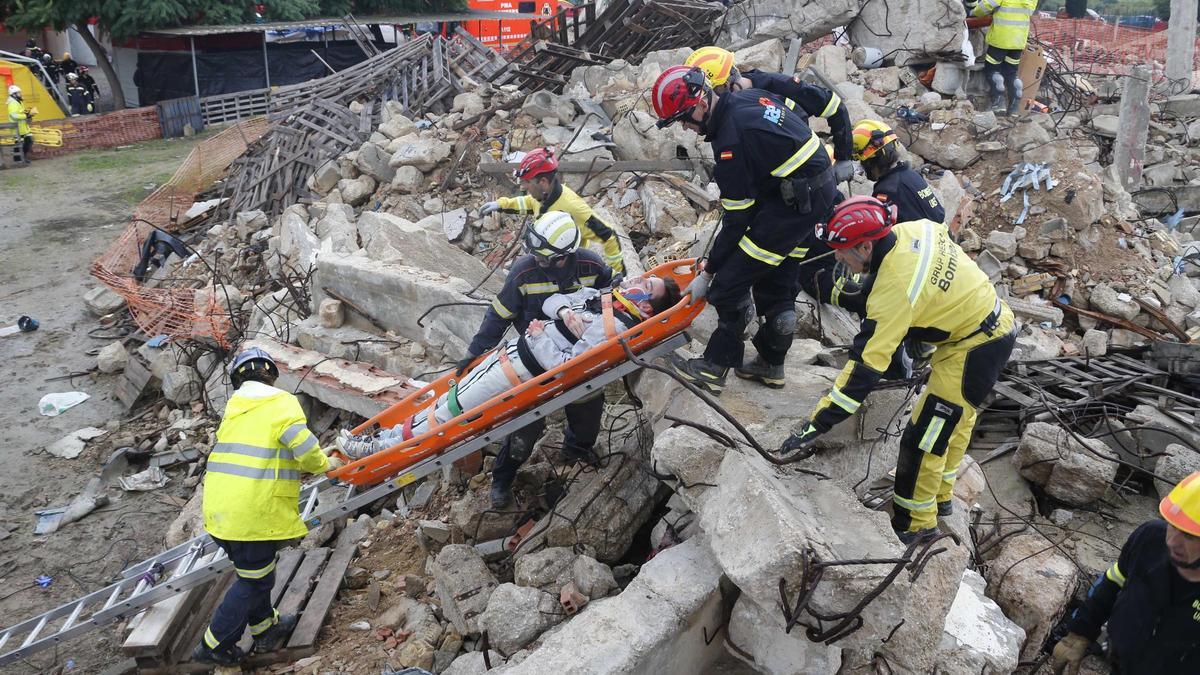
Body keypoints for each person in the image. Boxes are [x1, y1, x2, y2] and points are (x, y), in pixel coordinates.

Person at [776, 197, 1015, 545]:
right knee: (955, 421)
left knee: (925, 437)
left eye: (842, 250)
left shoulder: (895, 293)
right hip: (987, 322)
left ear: (866, 246)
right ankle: (942, 497)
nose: (837, 257)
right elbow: (928, 269)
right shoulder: (915, 230)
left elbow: (864, 369)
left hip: (976, 346)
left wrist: (817, 422)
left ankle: (915, 526)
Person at [651, 65, 853, 394]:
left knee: (729, 285)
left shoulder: (730, 140)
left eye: (684, 119)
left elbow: (736, 220)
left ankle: (713, 368)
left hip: (792, 206)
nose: (686, 128)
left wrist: (710, 272)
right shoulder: (748, 97)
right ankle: (771, 364)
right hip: (813, 196)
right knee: (778, 280)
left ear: (701, 103)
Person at [339, 275, 681, 458]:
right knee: (446, 402)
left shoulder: (613, 328)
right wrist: (564, 312)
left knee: (449, 415)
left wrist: (540, 336)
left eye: (647, 286)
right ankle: (386, 438)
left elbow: (567, 367)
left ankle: (376, 451)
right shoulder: (602, 299)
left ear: (647, 308)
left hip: (519, 372)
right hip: (510, 355)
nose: (638, 281)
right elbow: (554, 300)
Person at [193, 348, 344, 666]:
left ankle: (265, 628)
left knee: (255, 573)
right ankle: (214, 644)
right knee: (255, 581)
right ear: (271, 376)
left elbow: (262, 454)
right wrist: (325, 463)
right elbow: (304, 449)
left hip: (219, 511)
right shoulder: (281, 403)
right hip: (251, 514)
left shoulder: (234, 410)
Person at [459, 211, 614, 508]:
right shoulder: (524, 273)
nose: (536, 260)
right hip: (535, 363)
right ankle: (503, 478)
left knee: (587, 418)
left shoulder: (591, 266)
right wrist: (474, 353)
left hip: (582, 359)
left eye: (543, 257)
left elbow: (609, 296)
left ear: (563, 257)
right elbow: (499, 315)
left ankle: (575, 453)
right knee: (525, 429)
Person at [1050, 471, 1200, 675]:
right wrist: (1079, 634)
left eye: (1190, 536)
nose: (1172, 541)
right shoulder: (1150, 538)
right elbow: (1112, 582)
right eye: (1173, 525)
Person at [684, 45, 856, 185]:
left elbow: (833, 106)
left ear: (723, 85)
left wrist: (843, 157)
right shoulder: (724, 118)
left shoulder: (778, 86)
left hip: (807, 168)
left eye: (709, 92)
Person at [480, 148, 625, 273]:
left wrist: (616, 274)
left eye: (527, 182)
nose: (523, 187)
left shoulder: (573, 208)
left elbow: (608, 236)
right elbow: (529, 203)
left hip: (566, 269)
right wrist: (502, 204)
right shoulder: (541, 196)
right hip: (544, 259)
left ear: (543, 182)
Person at [852, 119, 945, 224]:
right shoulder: (911, 174)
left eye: (861, 160)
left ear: (869, 162)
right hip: (941, 232)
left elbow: (882, 229)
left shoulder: (886, 191)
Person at [971, 0, 1037, 115]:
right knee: (1011, 73)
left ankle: (999, 104)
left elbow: (984, 8)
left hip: (1000, 40)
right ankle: (1014, 108)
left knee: (992, 69)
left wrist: (972, 11)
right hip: (1018, 41)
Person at [6, 85, 34, 166]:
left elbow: (20, 112)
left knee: (28, 141)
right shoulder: (13, 103)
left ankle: (21, 158)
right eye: (18, 93)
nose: (20, 94)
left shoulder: (18, 101)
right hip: (17, 128)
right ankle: (18, 160)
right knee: (19, 144)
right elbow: (13, 115)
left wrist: (28, 113)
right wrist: (26, 116)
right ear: (14, 94)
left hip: (23, 127)